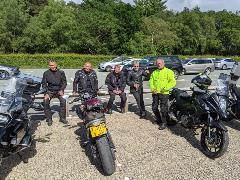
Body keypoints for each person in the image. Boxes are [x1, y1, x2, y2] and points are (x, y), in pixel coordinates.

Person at [149, 58, 176, 130]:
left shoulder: (169, 72)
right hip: (155, 93)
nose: (159, 64)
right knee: (154, 108)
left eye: (160, 63)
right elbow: (151, 81)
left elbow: (173, 82)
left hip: (164, 93)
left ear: (163, 63)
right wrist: (152, 89)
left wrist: (165, 88)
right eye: (157, 63)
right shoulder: (154, 72)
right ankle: (159, 119)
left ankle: (164, 122)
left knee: (163, 109)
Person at [42, 60, 68, 126]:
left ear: (56, 65)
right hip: (50, 91)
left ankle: (62, 118)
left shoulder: (61, 72)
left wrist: (62, 89)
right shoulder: (46, 73)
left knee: (63, 101)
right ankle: (49, 119)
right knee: (45, 102)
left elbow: (64, 82)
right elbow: (44, 84)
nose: (52, 66)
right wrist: (46, 93)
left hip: (59, 90)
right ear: (49, 66)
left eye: (53, 65)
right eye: (50, 65)